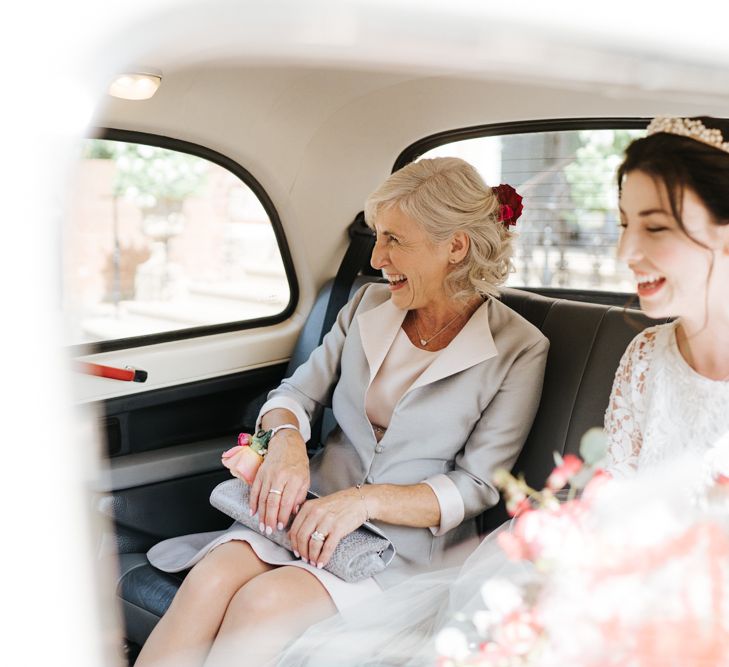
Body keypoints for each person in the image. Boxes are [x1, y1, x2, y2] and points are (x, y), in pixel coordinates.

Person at [271, 116, 729, 666]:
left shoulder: (519, 346)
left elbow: (480, 485)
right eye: (624, 224)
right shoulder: (646, 355)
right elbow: (614, 501)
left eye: (653, 227)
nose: (624, 250)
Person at [134, 157, 550, 667]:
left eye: (395, 239)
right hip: (300, 512)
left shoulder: (520, 347)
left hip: (400, 551)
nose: (377, 258)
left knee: (260, 605)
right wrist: (285, 443)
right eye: (377, 236)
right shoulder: (365, 307)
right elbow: (294, 396)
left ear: (455, 247)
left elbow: (478, 486)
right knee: (211, 577)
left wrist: (363, 502)